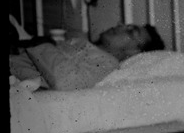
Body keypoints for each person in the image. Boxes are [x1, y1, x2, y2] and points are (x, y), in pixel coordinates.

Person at [10, 23, 166, 91]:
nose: (120, 26)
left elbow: (66, 81)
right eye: (125, 25)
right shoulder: (82, 43)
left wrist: (42, 44)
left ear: (134, 52)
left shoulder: (107, 62)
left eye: (131, 32)